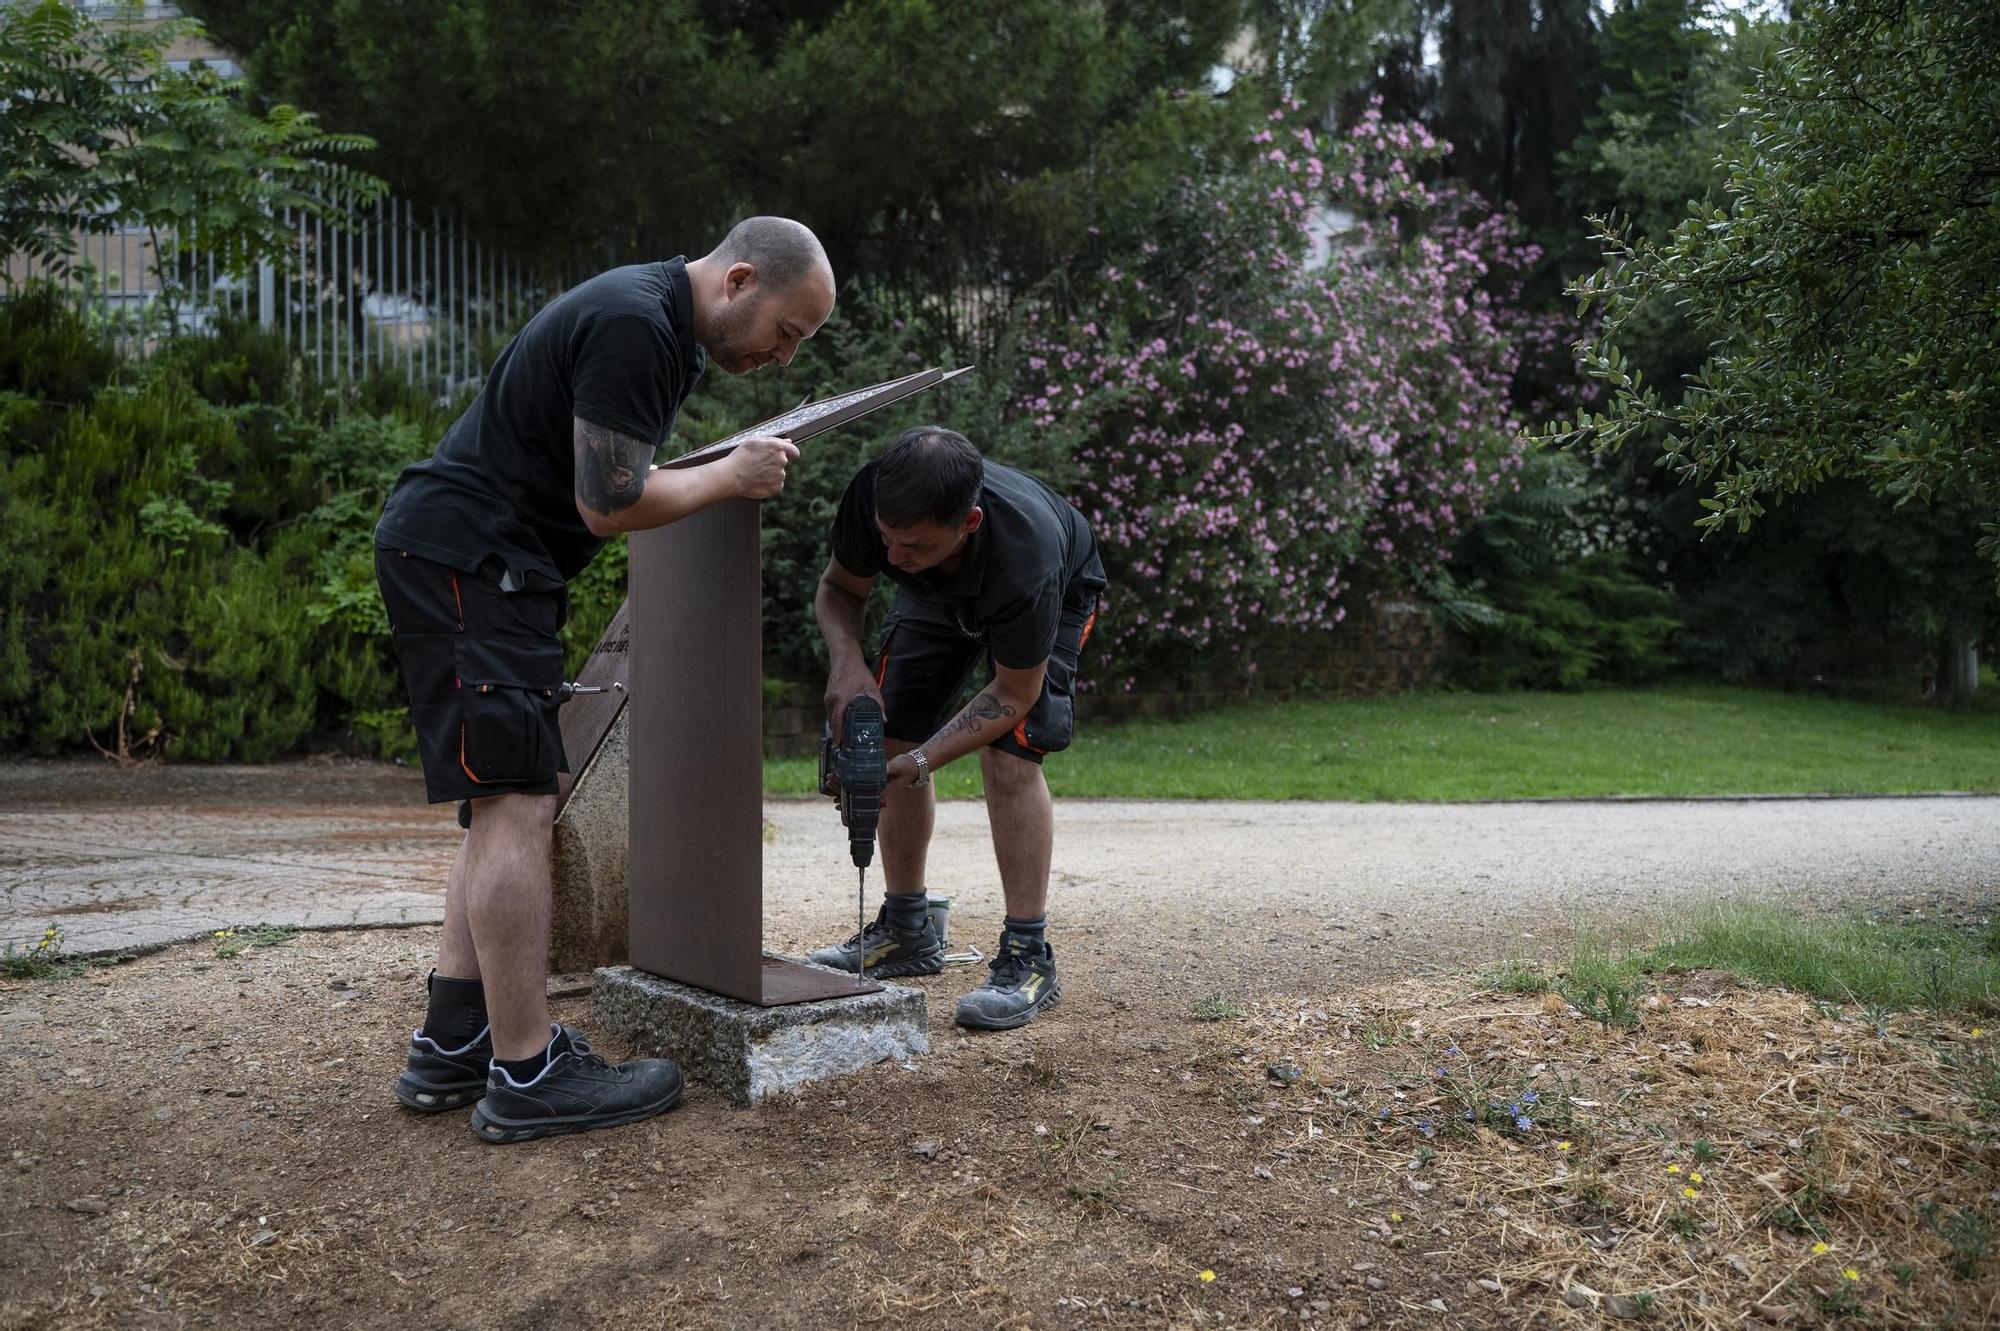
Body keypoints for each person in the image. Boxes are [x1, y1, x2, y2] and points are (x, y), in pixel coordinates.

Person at [375, 217, 835, 1141]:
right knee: (514, 801)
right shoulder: (637, 324)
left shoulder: (662, 327)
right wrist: (733, 475)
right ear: (740, 280)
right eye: (786, 331)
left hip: (486, 562)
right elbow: (611, 499)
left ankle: (458, 1037)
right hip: (476, 559)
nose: (784, 357)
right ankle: (526, 1073)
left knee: (513, 794)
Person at [809, 426, 1106, 1030]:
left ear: (968, 523)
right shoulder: (875, 500)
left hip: (1053, 591)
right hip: (936, 592)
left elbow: (1014, 695)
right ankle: (906, 930)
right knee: (888, 724)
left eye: (912, 544)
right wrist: (847, 664)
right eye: (887, 541)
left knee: (1010, 752)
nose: (894, 558)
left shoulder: (1027, 559)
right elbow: (840, 587)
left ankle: (1028, 956)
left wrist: (922, 762)